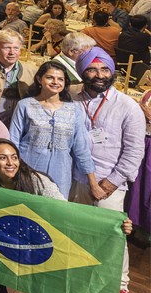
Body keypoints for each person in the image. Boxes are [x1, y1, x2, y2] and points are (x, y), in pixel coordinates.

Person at [0, 139, 133, 293]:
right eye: (3, 158)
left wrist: (113, 224)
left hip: (37, 247)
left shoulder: (37, 181)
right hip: (3, 244)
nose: (11, 163)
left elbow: (66, 211)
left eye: (14, 157)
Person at [71, 48, 142, 293]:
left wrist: (111, 183)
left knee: (112, 235)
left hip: (108, 183)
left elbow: (135, 151)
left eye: (105, 70)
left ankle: (119, 284)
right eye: (92, 69)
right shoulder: (70, 97)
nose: (99, 75)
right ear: (82, 72)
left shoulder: (127, 105)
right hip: (74, 178)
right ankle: (82, 276)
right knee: (78, 230)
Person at [8, 61, 96, 199]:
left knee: (54, 214)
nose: (55, 82)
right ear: (39, 79)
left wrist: (93, 182)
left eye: (60, 79)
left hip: (60, 173)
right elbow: (13, 141)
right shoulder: (25, 105)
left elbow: (81, 148)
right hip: (28, 169)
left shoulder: (74, 110)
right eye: (50, 77)